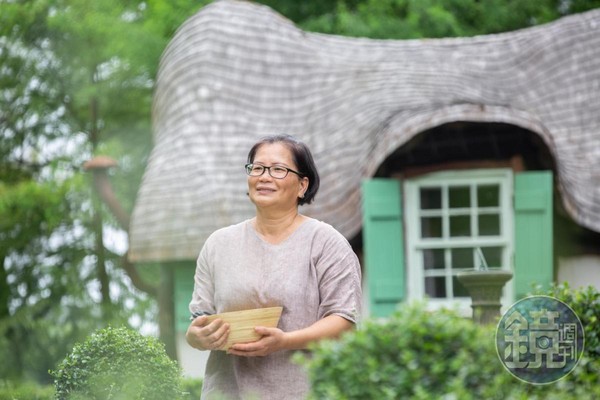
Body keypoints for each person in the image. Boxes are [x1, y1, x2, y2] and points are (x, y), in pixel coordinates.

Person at [186, 134, 362, 399]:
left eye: (278, 169)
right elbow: (200, 317)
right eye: (257, 168)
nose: (264, 177)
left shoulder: (327, 243)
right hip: (228, 391)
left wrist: (286, 341)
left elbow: (344, 322)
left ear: (303, 185)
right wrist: (196, 337)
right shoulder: (218, 244)